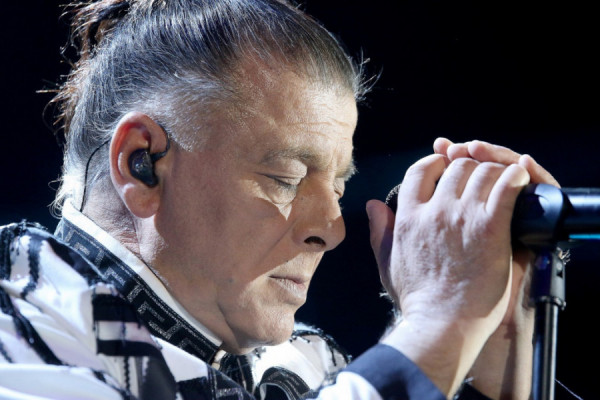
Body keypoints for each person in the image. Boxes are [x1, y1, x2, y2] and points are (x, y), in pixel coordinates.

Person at [0, 1, 561, 399]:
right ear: (140, 163)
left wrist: (500, 365)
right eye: (286, 178)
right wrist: (439, 317)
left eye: (338, 188)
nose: (332, 229)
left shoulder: (307, 370)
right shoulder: (16, 333)